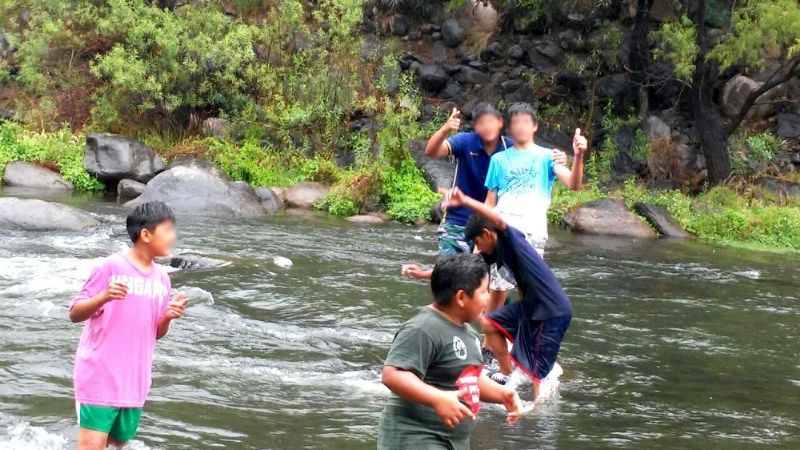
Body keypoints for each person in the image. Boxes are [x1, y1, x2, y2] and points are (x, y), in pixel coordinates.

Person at [69, 201, 189, 450]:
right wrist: (103, 297)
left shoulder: (162, 279)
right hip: (99, 375)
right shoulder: (110, 267)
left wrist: (167, 317)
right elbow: (75, 313)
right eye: (168, 230)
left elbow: (155, 333)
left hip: (134, 381)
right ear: (146, 234)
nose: (173, 237)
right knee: (92, 445)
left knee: (117, 443)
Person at [402, 103, 567, 280]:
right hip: (458, 219)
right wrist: (445, 129)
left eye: (491, 121)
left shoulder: (509, 149)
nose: (487, 127)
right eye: (481, 123)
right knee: (447, 276)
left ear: (500, 123)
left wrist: (560, 158)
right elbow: (431, 151)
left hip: (488, 227)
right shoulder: (465, 141)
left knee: (483, 280)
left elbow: (535, 157)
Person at [378, 253, 522, 450]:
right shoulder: (423, 328)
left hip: (453, 439)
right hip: (416, 436)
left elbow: (469, 378)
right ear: (461, 297)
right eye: (484, 291)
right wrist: (437, 398)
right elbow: (393, 375)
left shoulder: (469, 333)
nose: (489, 297)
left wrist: (503, 394)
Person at [445, 187, 573, 399]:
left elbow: (497, 220)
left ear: (487, 234)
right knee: (489, 323)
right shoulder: (495, 252)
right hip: (530, 308)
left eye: (478, 243)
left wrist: (465, 200)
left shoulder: (509, 240)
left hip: (550, 311)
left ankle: (540, 413)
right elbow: (465, 267)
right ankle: (508, 377)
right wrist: (424, 274)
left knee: (537, 377)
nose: (478, 248)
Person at [483, 102, 587, 309]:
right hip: (505, 234)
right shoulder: (498, 160)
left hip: (535, 232)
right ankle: (490, 330)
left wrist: (578, 155)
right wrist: (481, 234)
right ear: (509, 128)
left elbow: (574, 184)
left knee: (529, 295)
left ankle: (522, 331)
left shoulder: (548, 156)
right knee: (497, 295)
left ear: (535, 126)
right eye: (516, 122)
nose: (521, 126)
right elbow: (490, 202)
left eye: (525, 122)